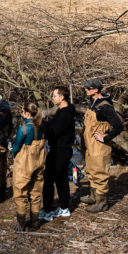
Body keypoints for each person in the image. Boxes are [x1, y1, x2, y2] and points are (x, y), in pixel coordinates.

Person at [81, 79, 125, 213]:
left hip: (99, 145)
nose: (86, 90)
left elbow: (118, 126)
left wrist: (105, 137)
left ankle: (102, 203)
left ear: (96, 90)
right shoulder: (93, 102)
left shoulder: (105, 107)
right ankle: (93, 196)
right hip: (89, 143)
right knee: (91, 168)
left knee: (99, 171)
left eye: (88, 88)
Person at [40, 86, 76, 221]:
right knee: (61, 179)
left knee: (48, 179)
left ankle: (48, 210)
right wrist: (41, 122)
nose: (52, 98)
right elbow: (52, 126)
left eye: (54, 95)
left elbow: (54, 132)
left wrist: (43, 131)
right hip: (61, 150)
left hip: (60, 151)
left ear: (62, 97)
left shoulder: (65, 115)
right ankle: (64, 208)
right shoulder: (61, 111)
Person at [11, 102, 46, 230]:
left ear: (27, 113)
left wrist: (14, 156)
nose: (21, 113)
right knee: (36, 190)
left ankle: (21, 224)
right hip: (39, 160)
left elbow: (16, 146)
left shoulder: (24, 128)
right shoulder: (42, 126)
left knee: (20, 191)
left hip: (25, 162)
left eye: (22, 111)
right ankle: (35, 222)